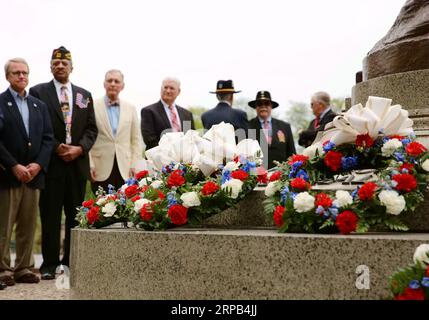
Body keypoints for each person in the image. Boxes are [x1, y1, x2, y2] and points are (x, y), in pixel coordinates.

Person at [29, 46, 97, 280]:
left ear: (71, 67)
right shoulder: (38, 92)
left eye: (64, 63)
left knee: (75, 215)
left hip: (77, 165)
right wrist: (57, 146)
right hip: (51, 163)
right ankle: (48, 264)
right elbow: (36, 125)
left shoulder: (84, 95)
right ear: (50, 66)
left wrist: (79, 149)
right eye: (55, 63)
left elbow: (91, 129)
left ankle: (70, 263)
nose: (60, 66)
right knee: (49, 215)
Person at [0, 58, 53, 286]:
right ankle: (3, 269)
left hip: (33, 176)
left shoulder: (38, 105)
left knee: (28, 225)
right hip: (7, 174)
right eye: (16, 73)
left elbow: (48, 139)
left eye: (24, 73)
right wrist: (14, 165)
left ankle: (23, 267)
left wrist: (38, 165)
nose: (21, 76)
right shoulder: (1, 102)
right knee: (4, 225)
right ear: (7, 76)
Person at [89, 69, 142, 193]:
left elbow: (136, 140)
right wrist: (89, 164)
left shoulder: (131, 108)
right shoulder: (92, 106)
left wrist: (135, 164)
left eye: (116, 81)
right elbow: (87, 137)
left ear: (122, 86)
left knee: (125, 209)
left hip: (126, 169)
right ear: (104, 84)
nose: (113, 84)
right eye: (109, 80)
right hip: (99, 168)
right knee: (101, 209)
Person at [141, 77, 195, 150]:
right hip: (158, 159)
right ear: (161, 89)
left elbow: (190, 138)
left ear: (178, 91)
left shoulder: (186, 114)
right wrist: (172, 155)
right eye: (165, 87)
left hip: (183, 159)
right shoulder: (149, 112)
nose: (168, 91)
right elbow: (150, 140)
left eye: (172, 88)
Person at [248, 91, 295, 169]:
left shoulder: (285, 127)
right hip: (256, 175)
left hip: (280, 175)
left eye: (266, 103)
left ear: (271, 106)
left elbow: (291, 154)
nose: (263, 106)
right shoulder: (248, 126)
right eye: (259, 104)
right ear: (255, 107)